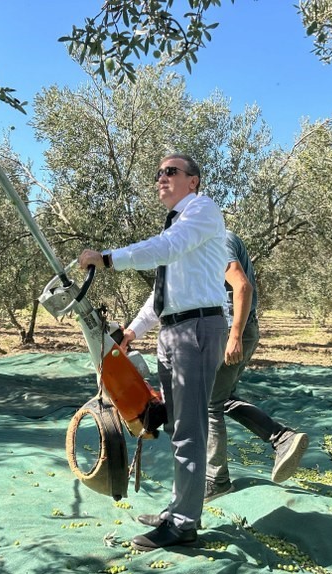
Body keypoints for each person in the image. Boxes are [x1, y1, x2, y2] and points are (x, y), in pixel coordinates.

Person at [79, 153, 228, 552]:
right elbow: (162, 295)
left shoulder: (201, 211)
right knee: (180, 426)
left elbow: (166, 249)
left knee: (190, 430)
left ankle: (183, 524)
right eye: (158, 172)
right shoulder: (179, 226)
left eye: (171, 171)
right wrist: (132, 332)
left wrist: (108, 258)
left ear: (193, 181)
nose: (161, 177)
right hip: (177, 327)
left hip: (196, 328)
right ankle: (179, 509)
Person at [205, 231, 309, 502]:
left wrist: (234, 336)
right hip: (237, 329)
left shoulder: (217, 239)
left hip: (232, 331)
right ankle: (281, 438)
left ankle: (216, 480)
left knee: (209, 405)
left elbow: (241, 286)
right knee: (222, 398)